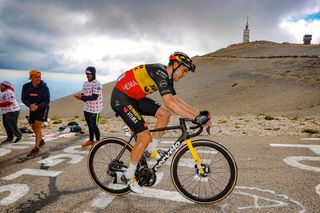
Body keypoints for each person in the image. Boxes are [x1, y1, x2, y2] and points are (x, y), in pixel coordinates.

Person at [110, 51, 212, 193]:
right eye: (183, 71)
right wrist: (194, 118)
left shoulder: (166, 77)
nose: (183, 75)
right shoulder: (160, 73)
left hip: (134, 98)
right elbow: (170, 103)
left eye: (186, 73)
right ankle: (129, 176)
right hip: (121, 99)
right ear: (175, 64)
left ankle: (151, 149)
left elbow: (176, 100)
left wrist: (197, 113)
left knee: (164, 114)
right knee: (144, 136)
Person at [21, 70, 50, 157]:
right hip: (32, 108)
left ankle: (36, 148)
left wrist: (38, 106)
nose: (38, 79)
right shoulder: (26, 86)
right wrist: (30, 105)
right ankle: (40, 141)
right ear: (31, 78)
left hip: (43, 108)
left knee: (37, 126)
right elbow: (24, 98)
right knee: (33, 126)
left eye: (39, 77)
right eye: (36, 77)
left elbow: (47, 100)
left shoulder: (44, 87)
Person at [74, 66, 103, 148]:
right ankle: (91, 140)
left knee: (94, 126)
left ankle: (97, 141)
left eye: (89, 74)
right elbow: (83, 96)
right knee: (90, 125)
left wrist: (82, 97)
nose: (87, 75)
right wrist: (79, 96)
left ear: (93, 74)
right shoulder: (85, 83)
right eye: (86, 73)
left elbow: (94, 97)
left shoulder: (97, 83)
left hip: (96, 109)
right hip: (87, 108)